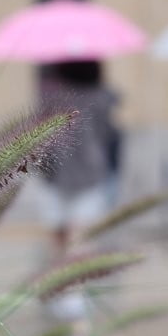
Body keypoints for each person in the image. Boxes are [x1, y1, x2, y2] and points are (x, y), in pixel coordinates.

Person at [37, 60, 118, 252]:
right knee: (83, 238)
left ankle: (58, 277)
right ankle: (77, 279)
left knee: (57, 235)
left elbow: (40, 138)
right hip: (91, 172)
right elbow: (107, 136)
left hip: (54, 173)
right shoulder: (102, 98)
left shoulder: (50, 97)